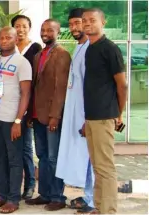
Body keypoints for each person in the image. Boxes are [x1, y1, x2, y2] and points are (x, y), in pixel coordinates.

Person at [0, 26, 32, 214]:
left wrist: (18, 121)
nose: (4, 40)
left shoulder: (22, 62)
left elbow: (26, 93)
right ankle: (1, 195)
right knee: (0, 158)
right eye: (1, 37)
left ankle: (13, 199)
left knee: (14, 160)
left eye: (8, 37)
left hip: (12, 120)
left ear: (15, 39)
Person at [82, 8, 127, 214]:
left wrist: (119, 113)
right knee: (97, 166)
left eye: (92, 20)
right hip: (91, 117)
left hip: (104, 115)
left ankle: (108, 210)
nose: (87, 24)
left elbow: (122, 85)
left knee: (105, 167)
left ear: (103, 22)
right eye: (85, 21)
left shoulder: (110, 49)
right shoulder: (90, 48)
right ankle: (99, 207)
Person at [25, 19, 71, 211]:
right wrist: (29, 114)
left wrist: (55, 116)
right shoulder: (38, 55)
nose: (45, 33)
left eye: (50, 30)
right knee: (42, 155)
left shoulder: (62, 55)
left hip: (52, 116)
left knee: (54, 157)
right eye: (43, 30)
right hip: (37, 115)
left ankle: (58, 196)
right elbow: (35, 87)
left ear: (58, 32)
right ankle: (44, 194)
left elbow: (60, 88)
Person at [55, 8, 96, 214]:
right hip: (75, 113)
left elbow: (94, 87)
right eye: (71, 24)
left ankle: (93, 200)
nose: (74, 28)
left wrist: (88, 118)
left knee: (91, 157)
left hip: (87, 115)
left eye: (78, 23)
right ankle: (86, 196)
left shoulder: (91, 48)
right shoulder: (79, 47)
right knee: (82, 157)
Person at [10, 14, 42, 200]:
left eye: (24, 26)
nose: (20, 30)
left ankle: (30, 184)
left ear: (29, 28)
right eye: (17, 26)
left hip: (28, 106)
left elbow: (37, 79)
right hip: (9, 105)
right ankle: (14, 185)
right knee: (14, 148)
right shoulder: (8, 48)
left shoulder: (36, 49)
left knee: (26, 148)